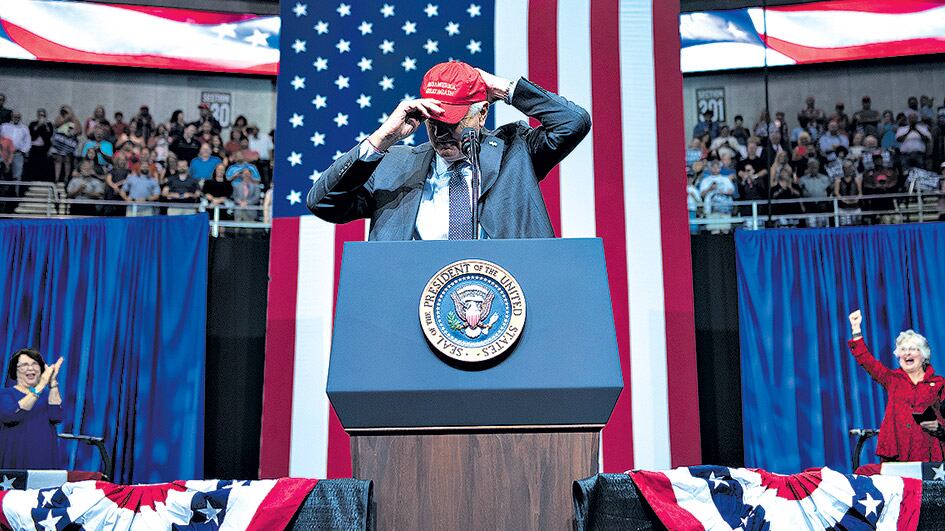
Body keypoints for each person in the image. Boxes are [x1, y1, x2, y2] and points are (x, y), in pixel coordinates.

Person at [308, 61, 590, 240]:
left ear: (481, 115)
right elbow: (323, 202)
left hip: (508, 305)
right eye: (433, 120)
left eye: (452, 122)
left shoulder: (515, 150)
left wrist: (503, 88)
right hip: (412, 309)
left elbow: (572, 123)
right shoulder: (394, 164)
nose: (440, 133)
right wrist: (381, 140)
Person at [847, 310, 945, 462]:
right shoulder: (892, 379)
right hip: (896, 452)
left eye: (912, 349)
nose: (907, 353)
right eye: (903, 350)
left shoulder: (939, 383)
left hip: (929, 453)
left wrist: (939, 427)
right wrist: (856, 329)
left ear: (923, 355)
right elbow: (867, 361)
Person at [0, 349, 64, 469]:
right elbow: (11, 416)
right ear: (15, 370)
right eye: (24, 365)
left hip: (44, 460)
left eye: (35, 364)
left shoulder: (47, 395)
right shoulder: (5, 394)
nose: (31, 368)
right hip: (15, 463)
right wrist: (41, 385)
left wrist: (53, 382)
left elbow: (57, 417)